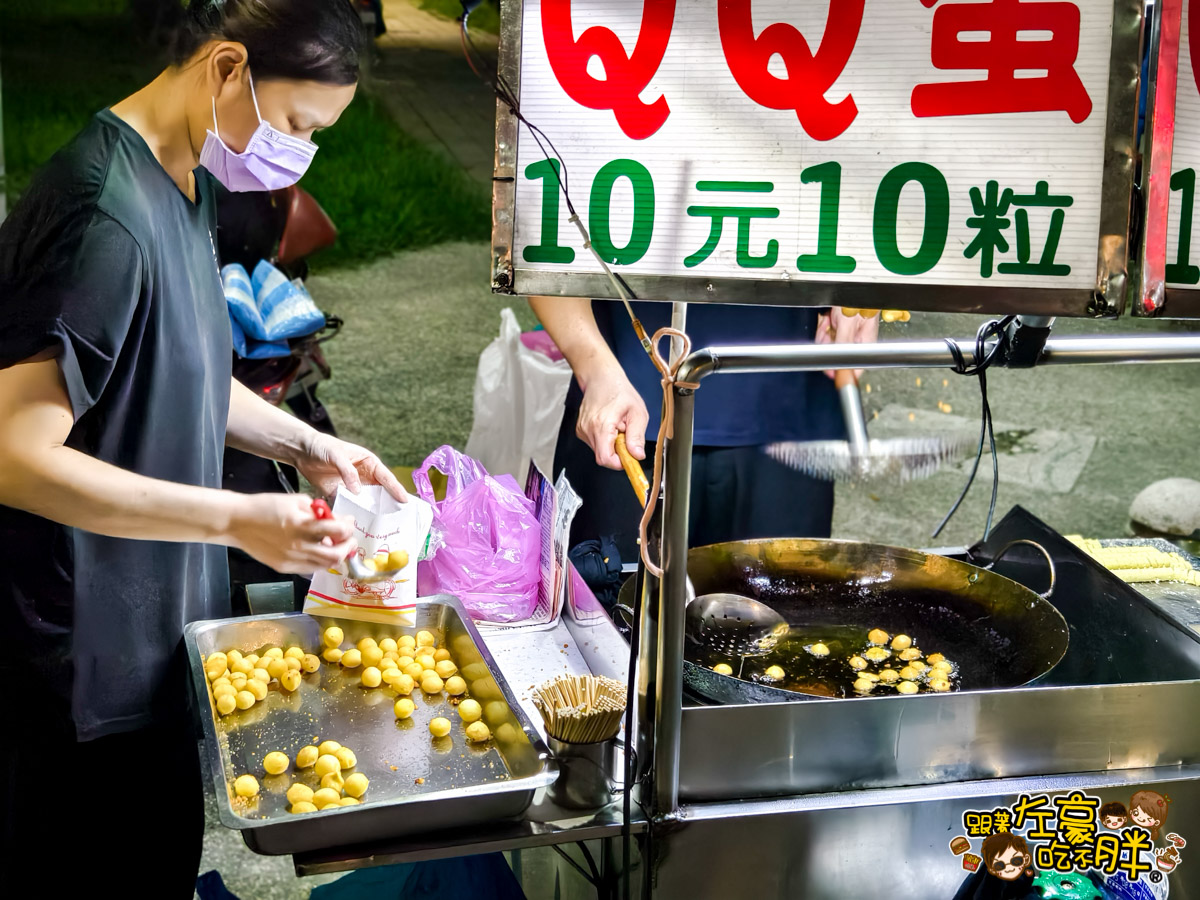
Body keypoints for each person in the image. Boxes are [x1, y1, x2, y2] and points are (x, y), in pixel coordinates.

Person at [0, 1, 398, 893]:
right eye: (296, 124)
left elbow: (168, 361)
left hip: (150, 637)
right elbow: (16, 454)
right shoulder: (101, 215)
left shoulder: (184, 178)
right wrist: (235, 521)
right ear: (226, 68)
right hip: (79, 670)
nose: (298, 154)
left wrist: (304, 444)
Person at [530, 296, 878, 565]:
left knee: (780, 622)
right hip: (626, 398)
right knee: (609, 623)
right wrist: (591, 363)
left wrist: (865, 284)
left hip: (793, 393)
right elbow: (544, 217)